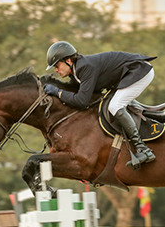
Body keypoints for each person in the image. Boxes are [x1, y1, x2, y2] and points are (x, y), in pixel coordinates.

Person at [43, 41, 156, 169]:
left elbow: (81, 101)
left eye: (57, 65)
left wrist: (57, 92)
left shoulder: (84, 67)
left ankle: (143, 149)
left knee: (114, 106)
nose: (56, 70)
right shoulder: (77, 72)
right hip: (129, 73)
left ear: (68, 60)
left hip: (139, 71)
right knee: (112, 103)